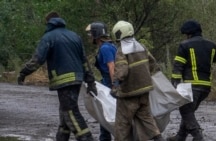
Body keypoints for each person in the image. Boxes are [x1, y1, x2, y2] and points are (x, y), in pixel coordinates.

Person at [17, 11, 96, 141]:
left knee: (70, 112)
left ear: (48, 23)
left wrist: (23, 72)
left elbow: (37, 59)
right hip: (77, 79)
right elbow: (84, 61)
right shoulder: (75, 36)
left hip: (63, 80)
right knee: (64, 113)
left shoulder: (48, 37)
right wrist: (90, 81)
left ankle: (86, 138)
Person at [168, 20, 216, 141]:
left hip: (191, 86)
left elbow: (178, 66)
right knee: (189, 111)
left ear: (189, 33)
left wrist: (174, 83)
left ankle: (197, 135)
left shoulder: (184, 45)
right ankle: (180, 136)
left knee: (185, 110)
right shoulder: (211, 45)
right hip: (205, 88)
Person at [111, 20, 165, 141]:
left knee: (122, 123)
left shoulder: (122, 50)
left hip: (128, 93)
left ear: (118, 34)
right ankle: (158, 138)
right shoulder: (142, 47)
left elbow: (122, 72)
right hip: (144, 91)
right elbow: (153, 64)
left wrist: (115, 85)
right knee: (146, 118)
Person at [85, 22, 117, 141]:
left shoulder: (105, 48)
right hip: (108, 81)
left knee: (105, 112)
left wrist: (114, 85)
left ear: (96, 34)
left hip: (110, 83)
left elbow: (111, 66)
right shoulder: (110, 45)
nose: (90, 37)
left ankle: (105, 138)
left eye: (91, 34)